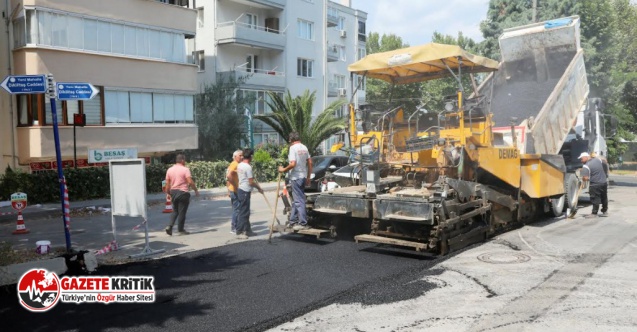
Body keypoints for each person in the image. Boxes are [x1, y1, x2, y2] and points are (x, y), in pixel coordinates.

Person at [278, 132, 312, 230]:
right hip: (303, 176)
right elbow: (310, 162)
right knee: (296, 200)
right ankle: (292, 220)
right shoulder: (304, 147)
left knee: (299, 200)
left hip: (296, 177)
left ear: (290, 140)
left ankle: (303, 223)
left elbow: (293, 164)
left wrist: (283, 170)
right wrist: (308, 177)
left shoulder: (293, 148)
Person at [165, 153, 199, 235]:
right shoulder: (185, 169)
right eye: (185, 160)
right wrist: (195, 190)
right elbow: (190, 181)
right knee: (182, 211)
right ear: (182, 160)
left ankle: (169, 226)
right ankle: (181, 230)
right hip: (183, 193)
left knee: (175, 210)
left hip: (173, 192)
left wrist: (168, 193)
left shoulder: (169, 170)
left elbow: (167, 183)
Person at [236, 148, 263, 239]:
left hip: (241, 190)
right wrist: (259, 188)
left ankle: (248, 230)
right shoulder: (248, 167)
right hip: (245, 191)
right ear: (250, 156)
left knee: (245, 211)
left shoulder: (240, 165)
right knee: (244, 212)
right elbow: (251, 182)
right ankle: (239, 232)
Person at [578, 152, 609, 218]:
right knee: (604, 197)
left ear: (586, 157)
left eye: (581, 159)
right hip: (603, 182)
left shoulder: (586, 165)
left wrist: (583, 178)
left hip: (595, 184)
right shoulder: (597, 160)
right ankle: (605, 211)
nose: (581, 161)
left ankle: (594, 213)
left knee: (595, 198)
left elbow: (585, 178)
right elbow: (605, 161)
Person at [226, 149, 243, 234]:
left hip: (233, 190)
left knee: (236, 209)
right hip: (235, 190)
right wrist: (235, 186)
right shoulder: (234, 164)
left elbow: (228, 178)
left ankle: (236, 226)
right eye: (240, 155)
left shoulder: (236, 164)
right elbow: (228, 177)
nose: (241, 157)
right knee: (237, 209)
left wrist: (228, 189)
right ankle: (234, 228)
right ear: (235, 156)